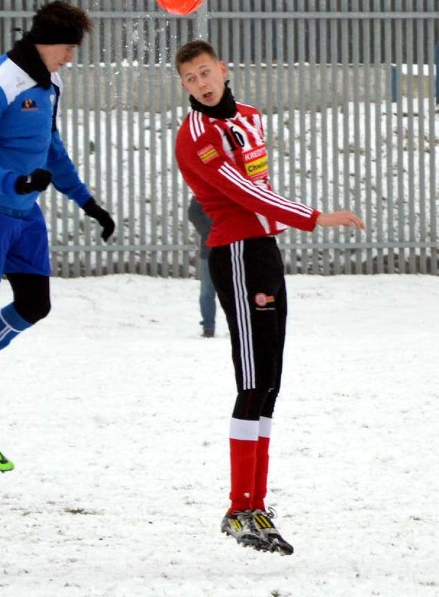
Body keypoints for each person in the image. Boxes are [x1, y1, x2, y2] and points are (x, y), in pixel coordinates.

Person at [173, 39, 364, 554]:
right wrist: (314, 218)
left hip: (264, 251)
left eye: (206, 72)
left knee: (271, 384)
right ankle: (239, 509)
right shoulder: (195, 137)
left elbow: (260, 183)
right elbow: (245, 193)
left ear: (224, 69)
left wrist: (280, 227)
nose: (201, 84)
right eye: (190, 79)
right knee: (252, 382)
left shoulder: (251, 117)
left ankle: (256, 505)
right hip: (234, 252)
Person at [0, 0, 115, 473]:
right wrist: (16, 183)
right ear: (46, 42)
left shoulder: (51, 82)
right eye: (67, 48)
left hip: (23, 211)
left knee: (35, 304)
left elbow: (51, 149)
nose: (71, 57)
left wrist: (87, 202)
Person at [187, 195, 216, 337]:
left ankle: (236, 324)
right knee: (207, 291)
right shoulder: (203, 187)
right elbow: (193, 212)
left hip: (231, 247)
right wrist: (207, 232)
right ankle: (208, 327)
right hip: (209, 248)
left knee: (233, 291)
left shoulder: (232, 184)